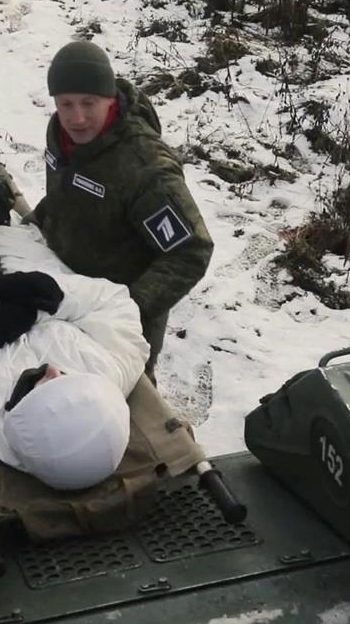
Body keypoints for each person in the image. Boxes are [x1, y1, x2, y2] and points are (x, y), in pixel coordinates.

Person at [28, 41, 213, 379]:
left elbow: (190, 251)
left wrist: (127, 309)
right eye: (66, 104)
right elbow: (65, 191)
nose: (77, 117)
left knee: (131, 408)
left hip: (121, 323)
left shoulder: (145, 168)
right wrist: (34, 223)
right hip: (65, 293)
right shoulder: (61, 133)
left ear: (110, 99)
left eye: (89, 103)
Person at [0, 265, 149, 490]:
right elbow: (112, 301)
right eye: (67, 378)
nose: (54, 370)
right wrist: (49, 302)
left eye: (47, 387)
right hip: (40, 268)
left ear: (19, 410)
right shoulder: (113, 367)